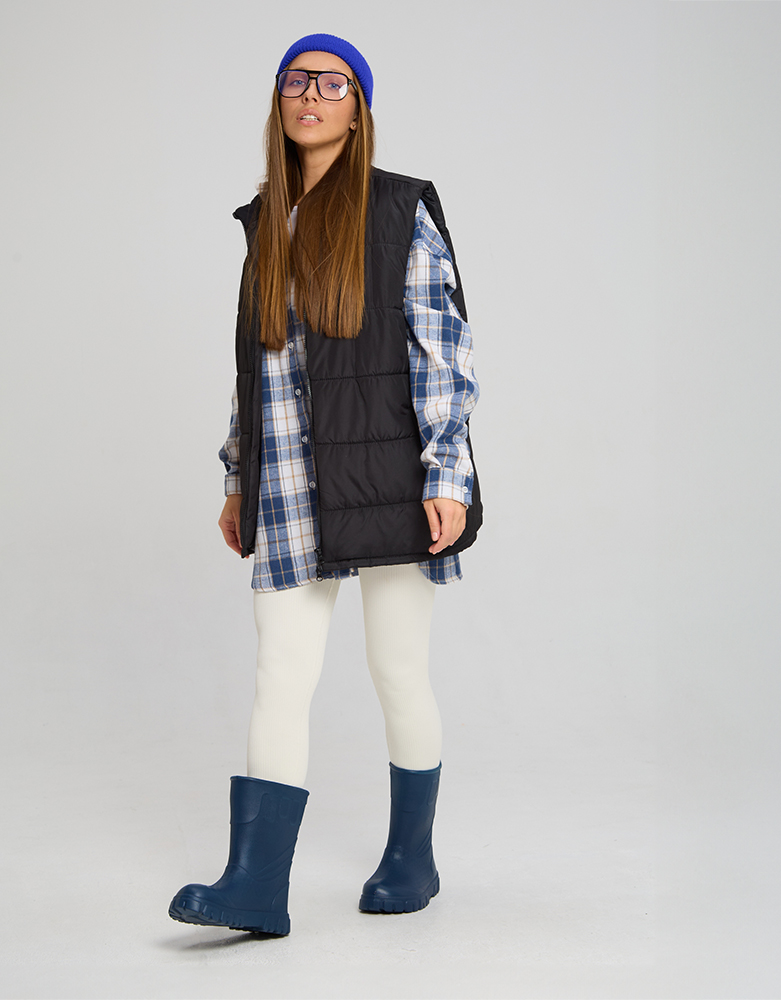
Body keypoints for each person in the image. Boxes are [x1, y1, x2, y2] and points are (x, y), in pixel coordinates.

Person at [169, 32, 482, 937]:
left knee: (397, 669)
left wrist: (447, 473)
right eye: (297, 80)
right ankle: (256, 886)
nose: (312, 95)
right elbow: (257, 368)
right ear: (278, 100)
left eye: (333, 84)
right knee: (281, 671)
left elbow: (444, 352)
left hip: (389, 476)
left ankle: (412, 858)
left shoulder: (400, 209)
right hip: (289, 484)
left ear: (358, 109)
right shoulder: (266, 220)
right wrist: (240, 476)